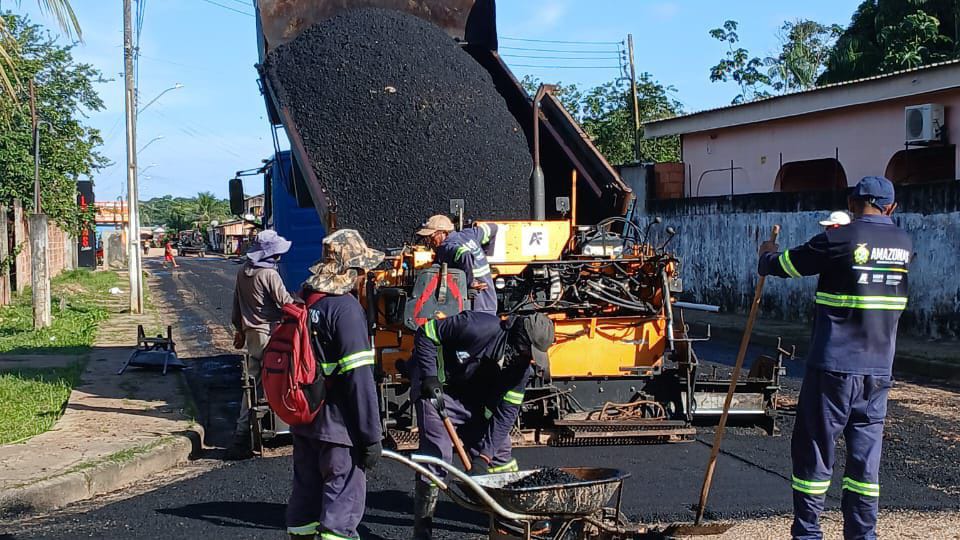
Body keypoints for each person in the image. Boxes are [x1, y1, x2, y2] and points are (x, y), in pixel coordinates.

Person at [757, 176, 911, 540]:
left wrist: (765, 255)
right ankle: (862, 535)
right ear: (891, 208)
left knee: (814, 451)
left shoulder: (839, 238)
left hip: (834, 368)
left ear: (852, 202)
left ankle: (809, 533)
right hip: (878, 371)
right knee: (864, 462)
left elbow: (785, 265)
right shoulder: (904, 243)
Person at [410, 310, 554, 539]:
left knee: (501, 453)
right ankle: (423, 530)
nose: (530, 359)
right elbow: (426, 334)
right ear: (519, 338)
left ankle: (508, 518)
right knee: (439, 453)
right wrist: (429, 376)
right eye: (529, 351)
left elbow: (506, 414)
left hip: (472, 397)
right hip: (439, 387)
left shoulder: (521, 370)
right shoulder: (476, 326)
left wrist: (483, 457)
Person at [286, 229, 384, 540]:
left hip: (304, 422)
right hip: (339, 430)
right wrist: (370, 436)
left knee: (305, 503)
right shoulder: (345, 310)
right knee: (340, 514)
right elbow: (359, 381)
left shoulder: (304, 301)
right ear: (350, 271)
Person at [229, 230, 295, 459]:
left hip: (251, 334)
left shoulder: (243, 272)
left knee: (253, 384)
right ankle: (288, 425)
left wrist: (239, 330)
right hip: (269, 333)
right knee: (282, 378)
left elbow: (236, 307)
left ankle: (241, 433)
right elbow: (285, 303)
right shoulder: (269, 275)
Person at [415, 215, 499, 315]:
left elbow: (464, 254)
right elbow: (493, 228)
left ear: (444, 233)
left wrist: (470, 283)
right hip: (489, 304)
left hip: (475, 308)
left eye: (431, 237)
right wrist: (485, 254)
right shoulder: (469, 234)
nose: (428, 242)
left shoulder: (446, 248)